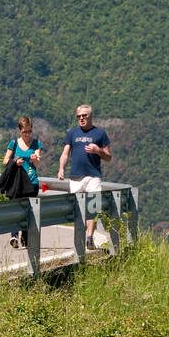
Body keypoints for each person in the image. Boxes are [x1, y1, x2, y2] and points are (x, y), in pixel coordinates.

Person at [57, 104, 112, 250]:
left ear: (91, 116)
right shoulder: (72, 133)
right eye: (79, 116)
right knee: (77, 210)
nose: (81, 118)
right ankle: (80, 239)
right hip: (75, 177)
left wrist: (98, 150)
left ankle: (89, 236)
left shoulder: (100, 134)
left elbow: (108, 157)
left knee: (92, 208)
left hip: (93, 176)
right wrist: (61, 168)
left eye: (84, 116)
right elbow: (65, 153)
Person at [3, 117, 43, 248]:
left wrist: (33, 159)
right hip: (16, 181)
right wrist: (15, 161)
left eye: (29, 131)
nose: (27, 134)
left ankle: (25, 238)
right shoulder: (14, 143)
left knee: (27, 211)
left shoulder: (36, 144)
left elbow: (37, 162)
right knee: (14, 209)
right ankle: (14, 236)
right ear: (20, 130)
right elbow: (5, 161)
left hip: (31, 182)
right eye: (25, 131)